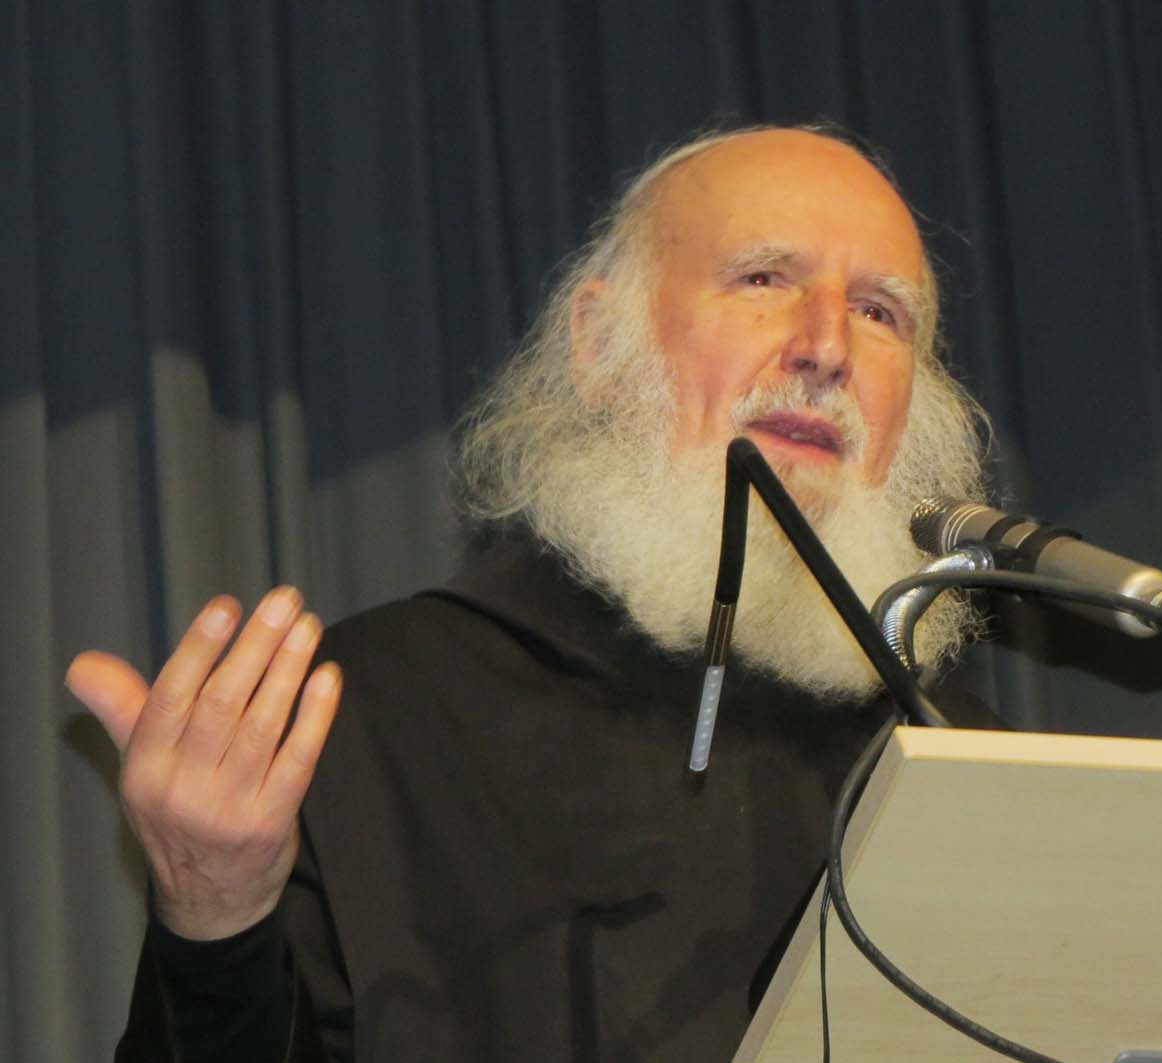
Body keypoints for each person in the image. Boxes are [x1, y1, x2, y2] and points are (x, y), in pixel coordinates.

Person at [67, 125, 1001, 1061]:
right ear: (598, 345)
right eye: (763, 278)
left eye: (880, 312)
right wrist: (218, 917)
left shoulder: (959, 755)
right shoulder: (353, 718)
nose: (827, 345)